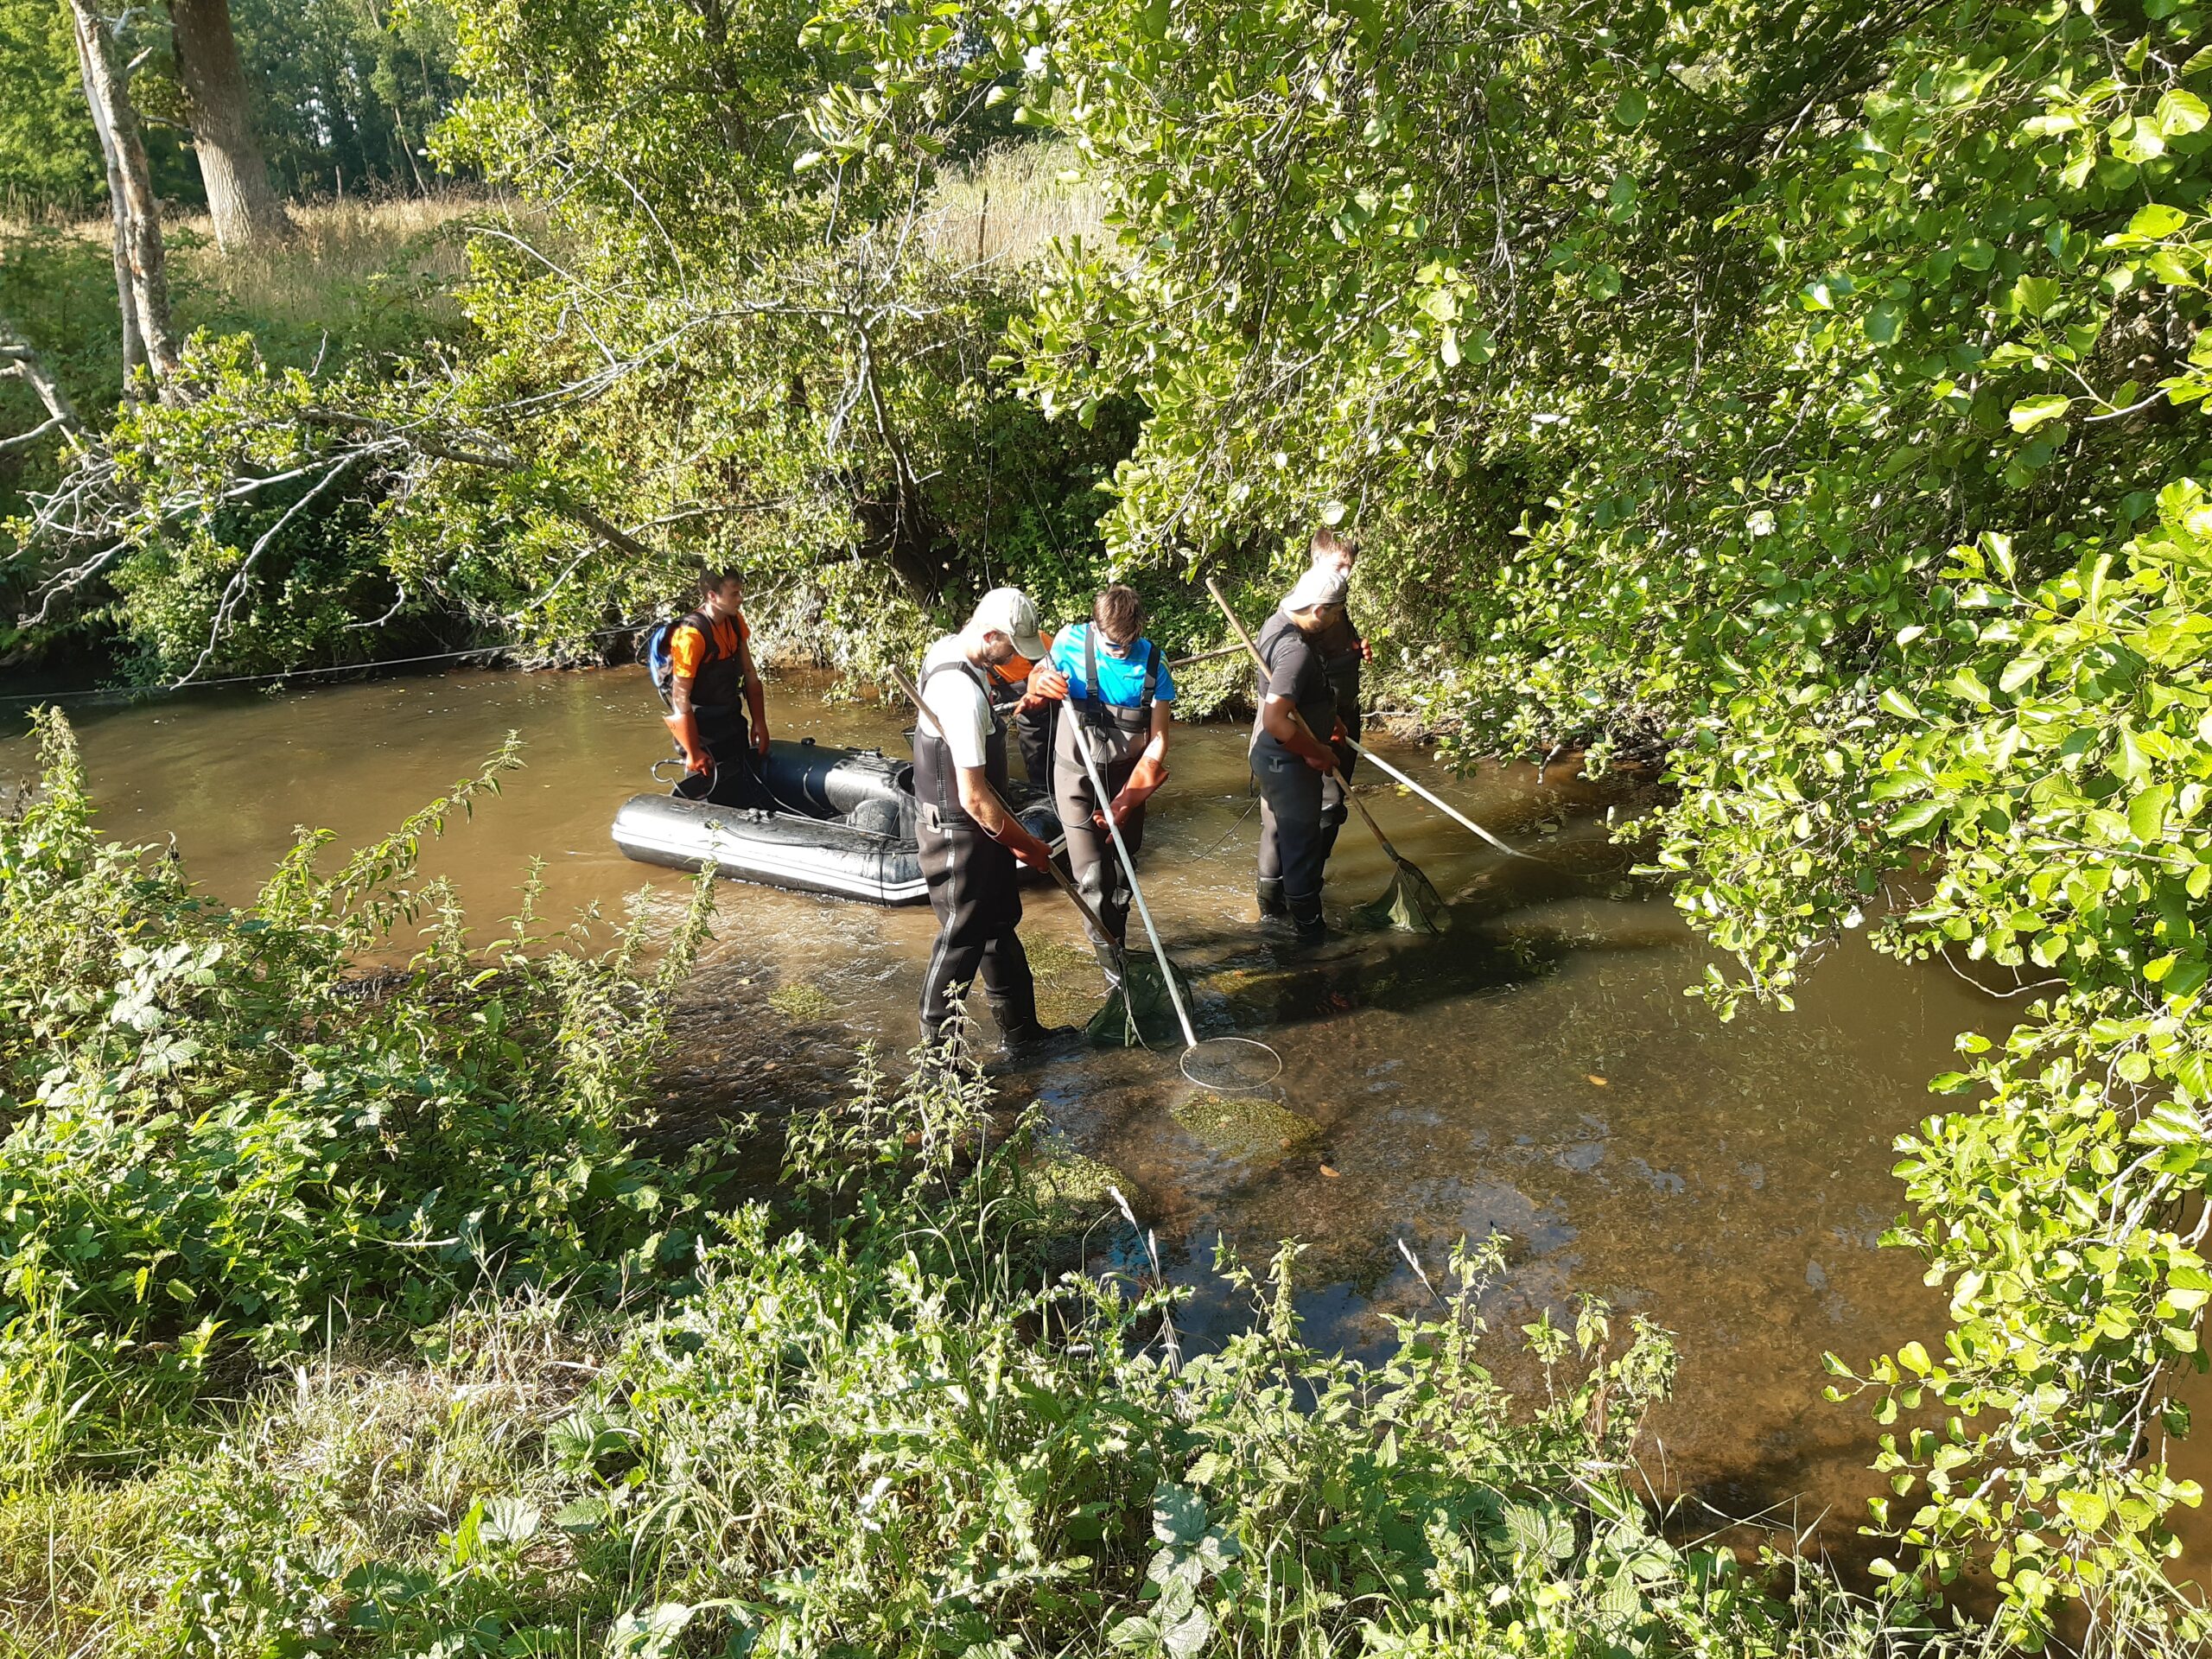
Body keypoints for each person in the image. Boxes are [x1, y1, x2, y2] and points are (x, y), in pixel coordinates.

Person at [912, 588, 1074, 1062]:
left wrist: (1019, 701)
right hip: (957, 831)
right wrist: (1028, 847)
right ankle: (937, 1064)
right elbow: (975, 797)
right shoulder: (962, 694)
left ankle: (1022, 1033)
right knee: (962, 938)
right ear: (989, 635)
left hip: (980, 828)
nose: (1016, 660)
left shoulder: (953, 650)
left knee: (1000, 923)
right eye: (1012, 649)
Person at [1029, 585, 1174, 992]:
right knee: (1093, 882)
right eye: (1111, 644)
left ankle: (1120, 946)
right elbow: (1034, 677)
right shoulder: (1068, 642)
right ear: (1095, 625)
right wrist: (1041, 683)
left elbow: (1159, 739)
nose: (1117, 652)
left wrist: (1125, 803)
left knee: (1122, 881)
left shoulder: (1154, 665)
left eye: (1125, 645)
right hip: (1074, 778)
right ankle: (1114, 979)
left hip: (1128, 781)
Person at [1250, 565, 1351, 942]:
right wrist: (1317, 753)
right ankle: (1311, 934)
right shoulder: (1295, 650)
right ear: (1319, 610)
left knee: (1276, 833)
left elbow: (1294, 699)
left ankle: (1270, 916)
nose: (1338, 618)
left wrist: (1331, 718)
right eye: (1337, 611)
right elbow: (1277, 719)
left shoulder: (1275, 624)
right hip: (1287, 761)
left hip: (1267, 757)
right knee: (1302, 847)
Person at [664, 567, 773, 809]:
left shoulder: (735, 622)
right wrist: (692, 751)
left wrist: (759, 722)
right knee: (708, 799)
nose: (740, 599)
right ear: (712, 596)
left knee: (740, 786)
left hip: (731, 719)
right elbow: (679, 697)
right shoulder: (690, 636)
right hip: (700, 730)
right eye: (734, 593)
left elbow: (750, 675)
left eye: (741, 592)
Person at [1306, 528, 1370, 864]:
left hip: (1348, 712)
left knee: (1336, 803)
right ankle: (1297, 886)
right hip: (1324, 719)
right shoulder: (1309, 608)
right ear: (1317, 559)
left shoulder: (1338, 603)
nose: (1346, 573)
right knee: (1327, 804)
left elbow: (1339, 649)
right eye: (1339, 565)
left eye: (1350, 566)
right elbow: (1305, 669)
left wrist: (1357, 648)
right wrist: (1327, 720)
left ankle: (1313, 878)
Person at [986, 626, 1059, 791]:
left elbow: (1067, 674)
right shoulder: (980, 664)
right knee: (1038, 771)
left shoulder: (1037, 642)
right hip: (1029, 723)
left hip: (1059, 711)